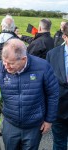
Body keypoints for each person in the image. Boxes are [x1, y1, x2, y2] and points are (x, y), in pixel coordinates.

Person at [46, 22, 68, 150]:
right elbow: (47, 82)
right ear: (65, 37)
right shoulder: (52, 54)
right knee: (59, 143)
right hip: (59, 108)